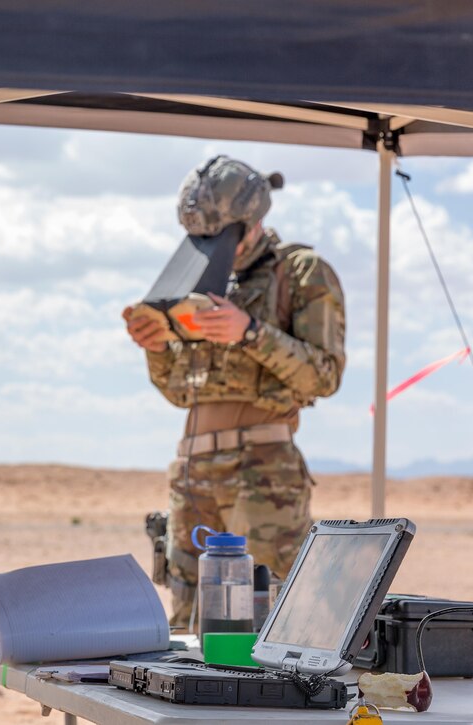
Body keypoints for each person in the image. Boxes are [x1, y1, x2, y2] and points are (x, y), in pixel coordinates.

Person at [122, 156, 346, 630]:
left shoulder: (302, 272)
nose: (209, 246)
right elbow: (182, 394)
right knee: (186, 624)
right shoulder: (200, 281)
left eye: (218, 234)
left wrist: (250, 333)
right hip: (193, 472)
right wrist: (157, 347)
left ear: (254, 219)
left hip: (263, 473)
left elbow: (324, 375)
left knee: (266, 622)